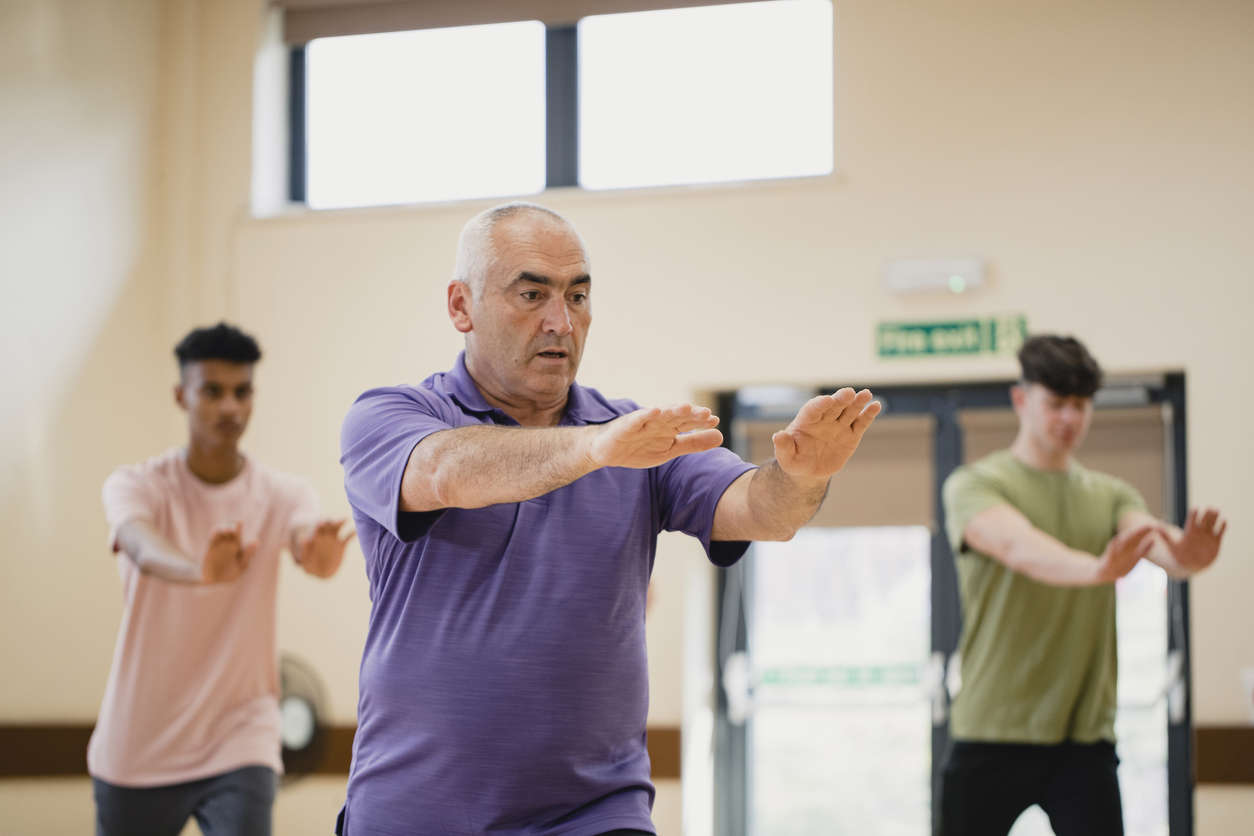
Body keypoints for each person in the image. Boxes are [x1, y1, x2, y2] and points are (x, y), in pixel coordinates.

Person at [336, 202, 882, 835]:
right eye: (532, 293)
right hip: (417, 810)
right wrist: (592, 448)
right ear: (461, 306)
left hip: (595, 812)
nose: (560, 321)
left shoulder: (638, 438)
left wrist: (804, 475)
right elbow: (443, 472)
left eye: (578, 294)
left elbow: (760, 510)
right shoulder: (391, 416)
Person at [938, 334, 1227, 836]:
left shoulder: (1112, 494)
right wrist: (1099, 569)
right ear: (1022, 400)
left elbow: (1160, 546)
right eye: (1056, 403)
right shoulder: (975, 484)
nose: (1069, 418)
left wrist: (1187, 557)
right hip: (990, 733)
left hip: (1084, 741)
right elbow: (1019, 547)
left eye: (1080, 405)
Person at [90, 323, 355, 836]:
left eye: (242, 391)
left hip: (242, 736)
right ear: (181, 395)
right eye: (212, 391)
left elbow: (309, 547)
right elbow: (142, 546)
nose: (230, 406)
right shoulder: (137, 486)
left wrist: (320, 558)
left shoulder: (283, 494)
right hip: (137, 745)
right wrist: (199, 571)